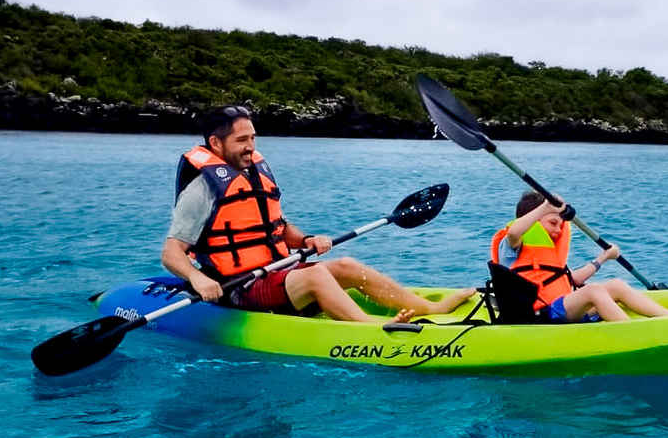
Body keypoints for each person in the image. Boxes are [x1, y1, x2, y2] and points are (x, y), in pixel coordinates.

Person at [163, 105, 475, 322]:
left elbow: (277, 228)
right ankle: (370, 328)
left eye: (253, 138)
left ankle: (429, 309)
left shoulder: (254, 173)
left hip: (276, 272)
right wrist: (198, 279)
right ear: (215, 143)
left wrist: (306, 240)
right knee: (315, 274)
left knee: (346, 265)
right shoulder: (202, 189)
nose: (250, 146)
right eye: (241, 140)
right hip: (239, 287)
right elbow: (171, 253)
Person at [490, 191, 668, 323]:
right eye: (552, 223)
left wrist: (604, 257)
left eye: (560, 225)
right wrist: (545, 207)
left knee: (615, 285)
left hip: (559, 306)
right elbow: (514, 232)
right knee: (593, 291)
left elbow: (572, 279)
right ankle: (634, 331)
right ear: (533, 219)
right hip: (538, 313)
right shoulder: (513, 244)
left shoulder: (547, 250)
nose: (558, 230)